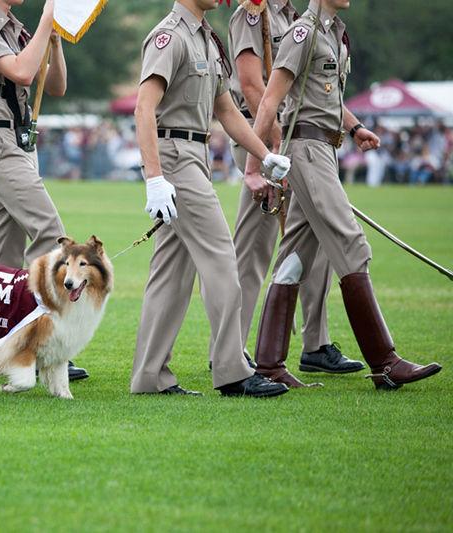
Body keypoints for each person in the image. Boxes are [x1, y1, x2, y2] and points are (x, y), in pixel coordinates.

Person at [245, 0, 441, 390]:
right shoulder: (304, 32)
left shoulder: (334, 32)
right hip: (306, 150)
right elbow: (270, 99)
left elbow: (326, 97)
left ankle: (268, 365)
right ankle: (385, 361)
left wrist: (355, 129)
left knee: (295, 256)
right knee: (351, 244)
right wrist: (255, 165)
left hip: (325, 149)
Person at [130, 0, 292, 397]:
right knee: (222, 258)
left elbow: (227, 111)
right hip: (175, 158)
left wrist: (264, 155)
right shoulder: (170, 36)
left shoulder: (206, 39)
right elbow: (143, 107)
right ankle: (233, 371)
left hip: (194, 155)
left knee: (171, 272)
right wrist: (154, 176)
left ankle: (149, 377)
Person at [226, 0, 363, 387]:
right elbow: (254, 85)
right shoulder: (253, 13)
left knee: (313, 239)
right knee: (255, 245)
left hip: (291, 139)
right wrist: (267, 145)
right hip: (264, 138)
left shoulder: (296, 18)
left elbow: (317, 87)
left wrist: (353, 128)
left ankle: (315, 344)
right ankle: (231, 349)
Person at [0, 0, 88, 380]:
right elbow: (22, 72)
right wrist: (47, 19)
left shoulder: (17, 28)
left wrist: (56, 37)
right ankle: (39, 345)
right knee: (51, 234)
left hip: (18, 144)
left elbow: (57, 85)